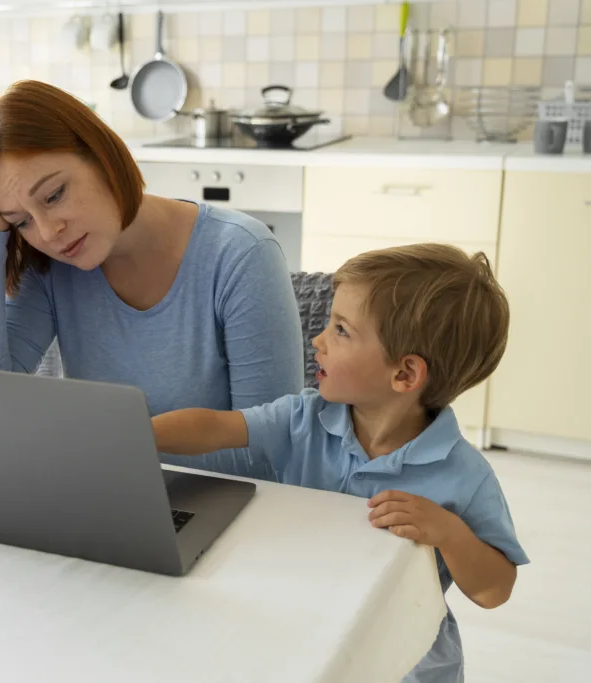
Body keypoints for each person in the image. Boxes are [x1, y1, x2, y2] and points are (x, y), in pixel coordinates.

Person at [152, 243, 528, 683]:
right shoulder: (302, 419)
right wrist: (135, 434)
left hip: (408, 668)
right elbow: (216, 428)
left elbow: (494, 591)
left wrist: (449, 532)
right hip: (299, 641)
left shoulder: (463, 475)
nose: (318, 339)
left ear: (405, 375)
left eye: (341, 330)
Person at [0, 80, 304, 479]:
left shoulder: (241, 254)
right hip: (102, 494)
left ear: (100, 154)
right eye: (21, 221)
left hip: (225, 510)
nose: (48, 232)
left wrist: (103, 450)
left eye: (53, 195)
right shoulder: (49, 265)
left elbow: (270, 451)